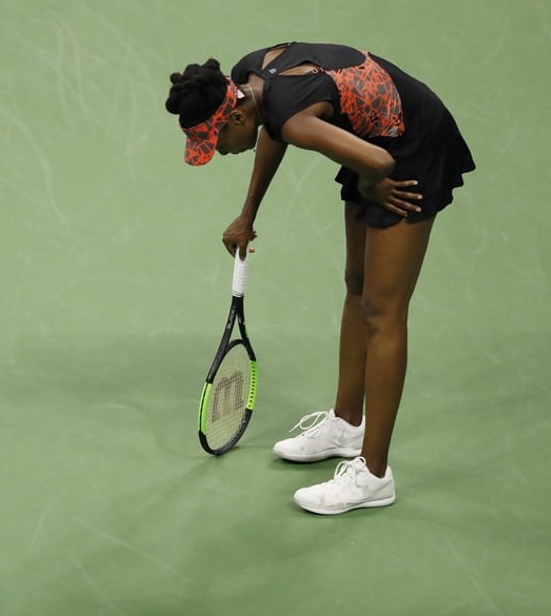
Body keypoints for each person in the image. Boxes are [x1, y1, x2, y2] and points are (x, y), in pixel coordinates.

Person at [165, 42, 474, 515]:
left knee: (384, 311)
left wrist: (372, 186)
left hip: (407, 147)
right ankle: (347, 425)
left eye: (217, 142)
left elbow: (379, 164)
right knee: (357, 284)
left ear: (235, 118)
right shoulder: (250, 77)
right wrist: (248, 213)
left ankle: (374, 476)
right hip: (369, 139)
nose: (221, 152)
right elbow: (276, 130)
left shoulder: (293, 117)